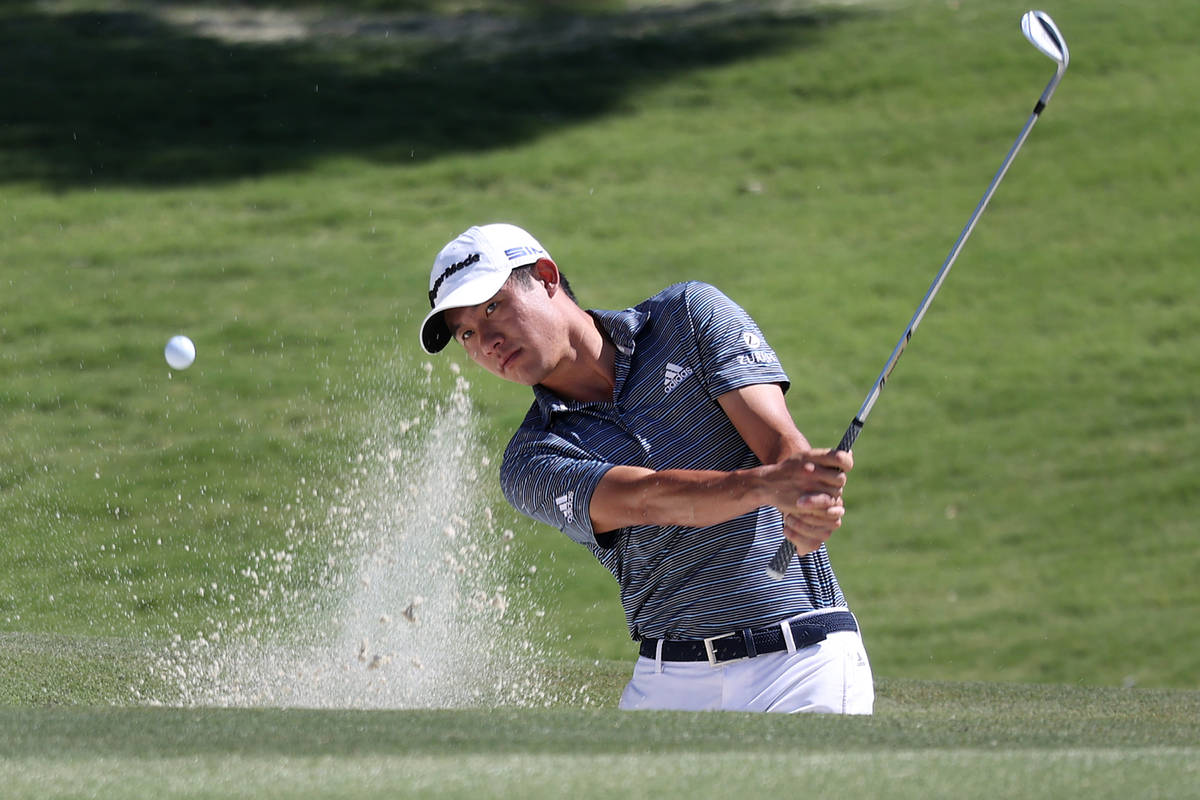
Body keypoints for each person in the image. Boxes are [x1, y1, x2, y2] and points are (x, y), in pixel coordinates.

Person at [418, 223, 873, 714]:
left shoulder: (688, 316)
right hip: (668, 680)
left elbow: (779, 441)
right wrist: (770, 486)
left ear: (547, 277)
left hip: (800, 661)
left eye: (492, 308)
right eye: (466, 333)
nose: (485, 341)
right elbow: (646, 499)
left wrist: (806, 499)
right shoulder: (530, 460)